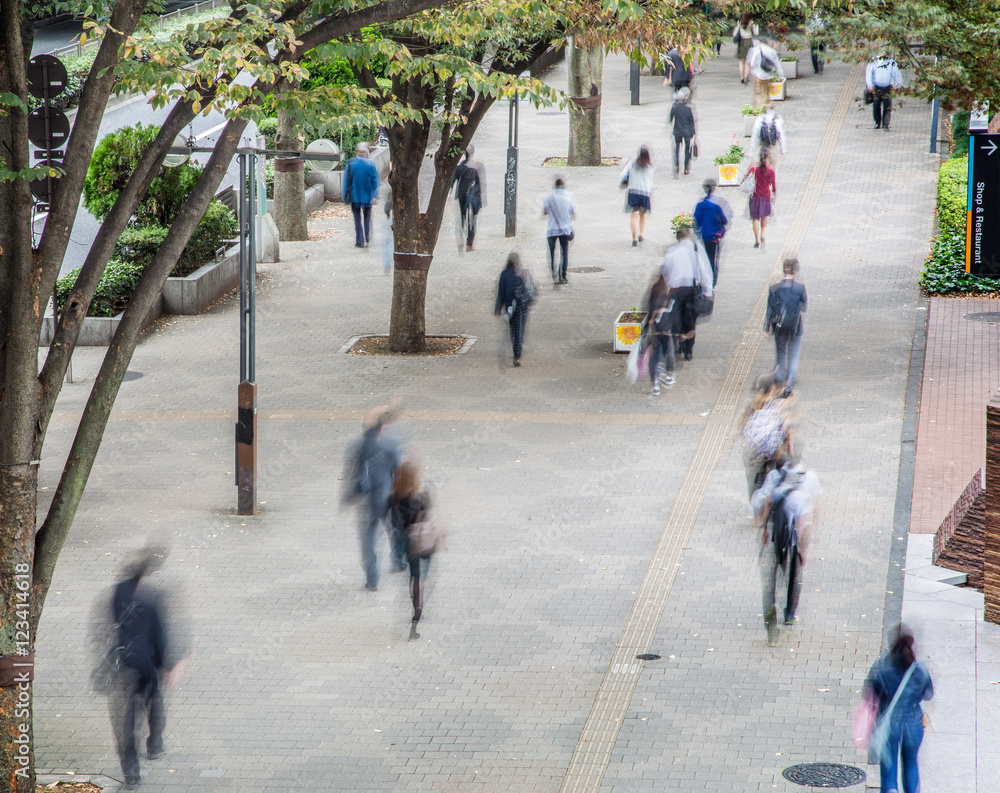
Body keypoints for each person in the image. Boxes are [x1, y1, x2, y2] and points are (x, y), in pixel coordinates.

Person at [104, 550, 185, 789]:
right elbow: (160, 637)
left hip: (124, 664)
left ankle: (131, 773)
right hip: (147, 665)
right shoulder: (153, 599)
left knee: (127, 720)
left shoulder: (118, 593)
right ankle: (155, 743)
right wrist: (166, 666)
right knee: (154, 699)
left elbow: (113, 624)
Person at [751, 461, 820, 645]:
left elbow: (767, 501)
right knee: (794, 575)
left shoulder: (775, 475)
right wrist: (804, 550)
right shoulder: (806, 480)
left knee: (771, 578)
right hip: (793, 540)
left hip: (776, 536)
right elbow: (804, 522)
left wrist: (763, 528)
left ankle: (771, 614)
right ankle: (789, 613)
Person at [863, 626, 934, 793]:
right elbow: (928, 694)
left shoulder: (882, 668)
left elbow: (871, 694)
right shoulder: (920, 670)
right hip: (914, 722)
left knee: (889, 768)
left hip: (889, 724)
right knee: (910, 763)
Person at [343, 404, 403, 590]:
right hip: (388, 497)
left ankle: (372, 577)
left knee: (369, 537)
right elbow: (398, 472)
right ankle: (398, 559)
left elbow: (351, 473)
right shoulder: (390, 445)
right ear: (381, 429)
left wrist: (347, 497)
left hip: (368, 500)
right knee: (394, 527)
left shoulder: (357, 446)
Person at [388, 460, 434, 638]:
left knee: (414, 576)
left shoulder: (394, 499)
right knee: (425, 567)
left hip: (408, 541)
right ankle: (424, 578)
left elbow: (394, 524)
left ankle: (416, 607)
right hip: (423, 538)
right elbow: (427, 515)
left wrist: (398, 546)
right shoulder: (420, 496)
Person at [659, 227, 713, 361]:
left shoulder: (671, 251)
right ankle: (688, 350)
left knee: (676, 318)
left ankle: (677, 343)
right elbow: (704, 269)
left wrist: (665, 288)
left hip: (676, 291)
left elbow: (665, 271)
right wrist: (708, 291)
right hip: (692, 290)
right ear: (689, 235)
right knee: (690, 320)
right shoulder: (696, 248)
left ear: (677, 237)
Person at [741, 373, 795, 498]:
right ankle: (774, 502)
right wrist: (790, 449)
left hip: (753, 452)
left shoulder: (749, 405)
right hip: (773, 452)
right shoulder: (777, 405)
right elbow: (785, 428)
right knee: (780, 473)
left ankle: (755, 504)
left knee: (753, 480)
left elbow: (743, 427)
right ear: (771, 389)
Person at [764, 258, 807, 397]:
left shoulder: (774, 289)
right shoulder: (800, 288)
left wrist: (766, 328)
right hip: (795, 327)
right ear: (795, 271)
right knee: (793, 356)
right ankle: (788, 389)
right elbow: (804, 307)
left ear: (784, 270)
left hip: (779, 327)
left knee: (781, 355)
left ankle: (778, 384)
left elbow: (769, 310)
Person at [495, 252, 534, 366]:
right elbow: (531, 288)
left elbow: (501, 293)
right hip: (523, 305)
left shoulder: (504, 274)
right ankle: (518, 351)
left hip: (510, 307)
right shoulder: (523, 273)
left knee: (513, 330)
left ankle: (516, 349)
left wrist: (498, 309)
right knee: (521, 327)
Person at [693, 177, 733, 286]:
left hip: (705, 236)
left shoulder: (700, 205)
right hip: (715, 236)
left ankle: (706, 278)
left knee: (706, 256)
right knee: (713, 258)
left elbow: (695, 221)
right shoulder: (718, 204)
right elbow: (725, 220)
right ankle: (713, 280)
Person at [644, 273, 677, 395]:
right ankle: (668, 375)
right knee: (668, 352)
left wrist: (647, 326)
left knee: (656, 355)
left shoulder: (655, 290)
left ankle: (655, 384)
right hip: (666, 330)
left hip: (655, 329)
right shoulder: (667, 294)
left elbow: (648, 308)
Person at [342, 143, 380, 248]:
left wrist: (344, 197)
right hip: (368, 197)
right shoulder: (371, 164)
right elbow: (375, 182)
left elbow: (346, 182)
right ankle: (367, 237)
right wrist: (375, 196)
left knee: (357, 219)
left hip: (355, 197)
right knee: (367, 217)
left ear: (357, 153)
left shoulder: (350, 164)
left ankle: (359, 241)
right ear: (367, 154)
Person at [542, 178, 576, 285]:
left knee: (552, 252)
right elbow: (573, 213)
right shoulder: (569, 198)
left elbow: (545, 212)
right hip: (565, 229)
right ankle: (563, 276)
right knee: (564, 252)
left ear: (555, 186)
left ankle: (554, 273)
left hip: (552, 229)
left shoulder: (549, 198)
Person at [741, 147, 777, 248]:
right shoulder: (771, 170)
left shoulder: (754, 168)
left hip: (755, 197)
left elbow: (746, 178)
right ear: (768, 156)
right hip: (766, 196)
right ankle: (762, 235)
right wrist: (774, 195)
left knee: (755, 218)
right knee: (764, 216)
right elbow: (773, 185)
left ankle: (756, 240)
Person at [453, 145, 486, 251]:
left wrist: (449, 193)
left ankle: (462, 232)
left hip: (462, 195)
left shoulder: (460, 167)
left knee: (463, 216)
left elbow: (453, 180)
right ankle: (469, 242)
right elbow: (481, 183)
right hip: (474, 196)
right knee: (473, 219)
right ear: (472, 153)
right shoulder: (477, 166)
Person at [621, 145, 654, 246]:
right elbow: (650, 180)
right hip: (644, 192)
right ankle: (641, 233)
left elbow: (623, 174)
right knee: (642, 215)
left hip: (633, 191)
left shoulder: (632, 164)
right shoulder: (650, 166)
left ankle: (634, 238)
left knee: (633, 215)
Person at [866, 55, 904, 130]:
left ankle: (885, 124)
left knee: (887, 106)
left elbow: (897, 74)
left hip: (888, 87)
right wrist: (870, 84)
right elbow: (869, 73)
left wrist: (898, 84)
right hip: (876, 87)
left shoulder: (891, 62)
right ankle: (877, 122)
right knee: (876, 105)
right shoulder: (874, 61)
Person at [747, 39, 784, 108]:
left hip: (757, 75)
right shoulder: (771, 50)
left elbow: (752, 63)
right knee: (765, 92)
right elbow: (777, 64)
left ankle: (759, 107)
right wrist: (781, 76)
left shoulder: (754, 50)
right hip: (768, 75)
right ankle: (765, 106)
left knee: (757, 92)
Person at [669, 87, 696, 178]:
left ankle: (676, 167)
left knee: (676, 149)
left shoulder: (674, 107)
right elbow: (692, 122)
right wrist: (694, 134)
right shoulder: (688, 109)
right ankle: (686, 168)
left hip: (677, 131)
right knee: (687, 150)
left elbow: (670, 119)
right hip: (687, 131)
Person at [733, 13, 759, 83]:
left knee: (741, 61)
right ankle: (746, 77)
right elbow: (756, 33)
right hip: (749, 41)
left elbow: (734, 33)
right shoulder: (752, 23)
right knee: (748, 61)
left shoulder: (740, 22)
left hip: (741, 42)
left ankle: (741, 77)